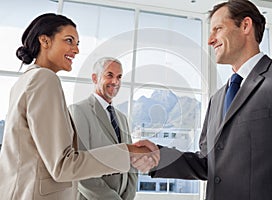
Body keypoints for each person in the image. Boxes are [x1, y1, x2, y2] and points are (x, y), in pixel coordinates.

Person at [133, 0, 272, 200]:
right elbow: (208, 162)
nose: (210, 40)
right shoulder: (217, 98)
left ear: (245, 25)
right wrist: (158, 158)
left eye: (218, 29)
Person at [0, 13, 158, 200]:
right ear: (45, 41)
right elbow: (63, 166)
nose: (75, 50)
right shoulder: (45, 79)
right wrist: (128, 152)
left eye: (77, 44)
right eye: (69, 40)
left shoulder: (26, 80)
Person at [69, 57, 137, 200]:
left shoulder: (122, 118)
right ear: (95, 78)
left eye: (119, 77)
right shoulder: (79, 111)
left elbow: (131, 163)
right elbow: (78, 166)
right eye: (109, 75)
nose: (115, 82)